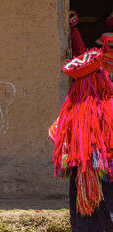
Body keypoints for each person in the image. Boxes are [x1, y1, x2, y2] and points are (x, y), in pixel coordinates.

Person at [49, 48, 113, 231]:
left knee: (87, 224)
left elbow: (53, 133)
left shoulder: (69, 112)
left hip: (83, 184)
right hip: (108, 177)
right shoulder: (110, 105)